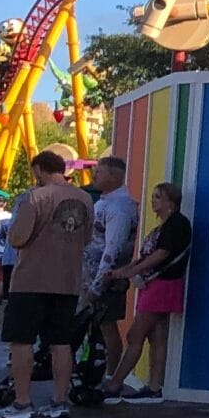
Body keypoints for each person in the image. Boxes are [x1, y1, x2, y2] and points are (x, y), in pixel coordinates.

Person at [0, 148, 94, 418]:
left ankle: (22, 401)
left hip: (31, 278)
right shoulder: (85, 199)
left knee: (21, 341)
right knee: (61, 342)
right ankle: (58, 401)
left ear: (39, 169)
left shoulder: (35, 197)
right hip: (67, 280)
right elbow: (86, 238)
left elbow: (17, 238)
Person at [101, 181, 190, 403]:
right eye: (153, 196)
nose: (153, 200)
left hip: (161, 284)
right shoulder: (165, 225)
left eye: (158, 197)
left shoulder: (176, 224)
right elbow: (148, 255)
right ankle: (153, 387)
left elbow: (160, 255)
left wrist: (132, 271)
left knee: (135, 334)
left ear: (171, 202)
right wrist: (125, 270)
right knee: (156, 335)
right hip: (157, 284)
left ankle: (115, 384)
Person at [81, 155, 138, 391]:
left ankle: (111, 377)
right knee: (95, 328)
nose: (94, 177)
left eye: (99, 172)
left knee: (107, 327)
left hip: (106, 280)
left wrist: (97, 285)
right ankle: (94, 371)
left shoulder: (119, 208)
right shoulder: (104, 202)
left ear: (114, 176)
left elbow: (112, 249)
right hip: (91, 276)